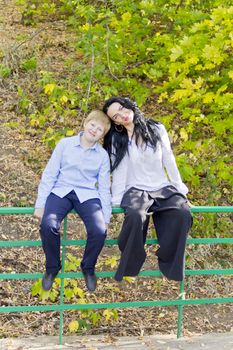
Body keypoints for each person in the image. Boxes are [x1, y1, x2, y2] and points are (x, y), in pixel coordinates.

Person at [103, 96, 192, 282]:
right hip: (135, 189)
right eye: (116, 117)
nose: (122, 116)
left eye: (122, 109)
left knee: (183, 213)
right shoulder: (116, 139)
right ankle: (131, 264)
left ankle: (168, 262)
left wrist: (180, 188)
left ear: (129, 105)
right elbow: (118, 171)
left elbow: (169, 159)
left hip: (162, 186)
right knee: (135, 215)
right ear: (115, 123)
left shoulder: (157, 128)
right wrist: (116, 200)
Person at [34, 110, 111, 292]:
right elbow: (50, 173)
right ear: (85, 123)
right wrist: (40, 204)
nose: (94, 130)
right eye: (92, 125)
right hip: (61, 190)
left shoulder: (102, 155)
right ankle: (52, 268)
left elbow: (104, 188)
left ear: (102, 135)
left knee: (99, 231)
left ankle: (88, 267)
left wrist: (106, 217)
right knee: (48, 225)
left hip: (87, 195)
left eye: (99, 129)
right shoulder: (65, 144)